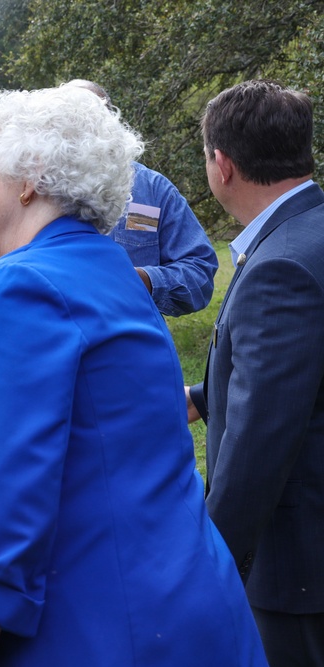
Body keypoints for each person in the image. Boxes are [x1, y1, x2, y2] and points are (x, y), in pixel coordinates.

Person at [0, 86, 267, 666]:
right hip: (187, 606)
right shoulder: (115, 271)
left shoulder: (14, 285)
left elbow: (11, 500)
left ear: (29, 177)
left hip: (93, 625)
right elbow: (101, 433)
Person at [186, 80, 324, 666]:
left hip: (296, 563)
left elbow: (259, 440)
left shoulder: (283, 264)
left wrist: (209, 562)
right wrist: (200, 396)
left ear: (223, 165)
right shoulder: (307, 234)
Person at [0, 79, 218, 318]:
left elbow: (199, 272)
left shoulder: (154, 190)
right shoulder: (23, 181)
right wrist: (28, 284)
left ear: (109, 127)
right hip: (33, 329)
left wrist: (140, 281)